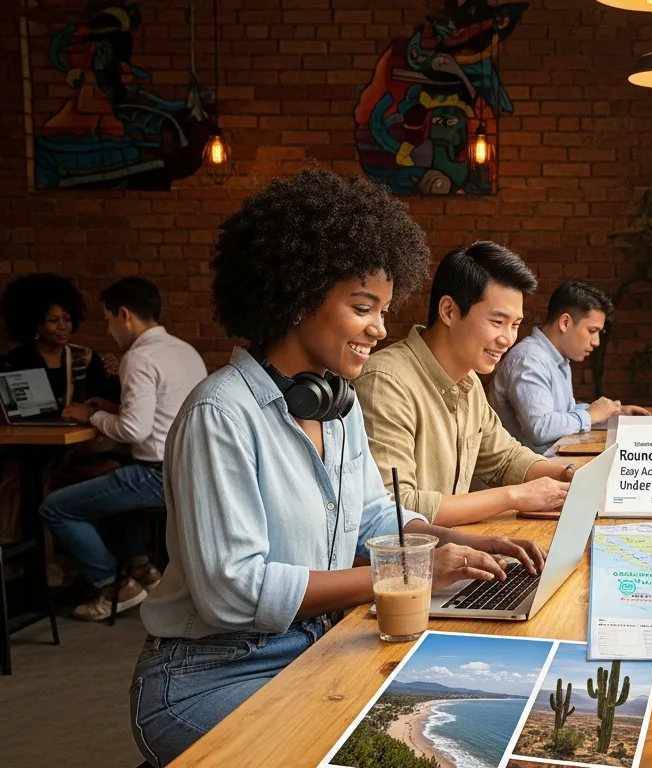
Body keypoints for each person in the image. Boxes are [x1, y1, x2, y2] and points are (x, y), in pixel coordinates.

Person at [131, 170, 543, 766]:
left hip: (317, 642)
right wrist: (418, 573)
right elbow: (233, 591)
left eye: (383, 308)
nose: (380, 327)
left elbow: (372, 518)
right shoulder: (219, 414)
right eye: (362, 308)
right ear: (298, 297)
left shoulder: (336, 404)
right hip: (206, 675)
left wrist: (464, 542)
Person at [356, 242, 576, 527]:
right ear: (448, 311)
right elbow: (397, 506)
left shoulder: (468, 379)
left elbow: (506, 457)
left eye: (515, 324)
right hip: (411, 567)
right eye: (497, 321)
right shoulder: (386, 382)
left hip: (455, 556)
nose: (508, 339)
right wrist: (513, 497)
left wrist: (566, 475)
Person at [39, 278, 207, 621]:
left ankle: (115, 586)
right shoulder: (184, 349)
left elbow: (134, 430)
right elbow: (163, 413)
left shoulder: (139, 357)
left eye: (108, 319)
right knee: (109, 484)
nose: (110, 329)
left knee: (55, 507)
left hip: (156, 475)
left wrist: (92, 414)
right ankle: (143, 570)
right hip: (191, 469)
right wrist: (111, 409)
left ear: (124, 314)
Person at [491, 280, 651, 454]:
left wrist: (613, 415)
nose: (596, 342)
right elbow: (540, 428)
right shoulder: (529, 359)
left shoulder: (558, 360)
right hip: (526, 476)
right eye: (592, 331)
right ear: (565, 322)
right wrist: (590, 415)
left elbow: (565, 413)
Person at [1, 272, 118, 406]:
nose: (63, 326)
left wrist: (113, 375)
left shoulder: (86, 358)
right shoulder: (16, 361)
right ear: (36, 324)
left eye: (68, 319)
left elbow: (107, 401)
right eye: (53, 320)